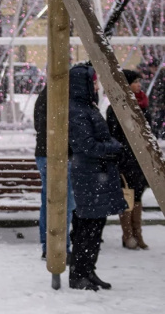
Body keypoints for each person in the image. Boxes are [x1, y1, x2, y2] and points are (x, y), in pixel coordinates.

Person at [68, 63, 127, 291]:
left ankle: (88, 270)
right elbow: (86, 145)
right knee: (87, 228)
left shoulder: (87, 107)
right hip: (89, 176)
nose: (97, 85)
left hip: (96, 176)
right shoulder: (78, 110)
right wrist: (113, 147)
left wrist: (110, 146)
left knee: (94, 228)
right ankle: (79, 274)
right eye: (94, 81)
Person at [106, 69, 150, 250]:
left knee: (138, 195)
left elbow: (149, 131)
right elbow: (113, 135)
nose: (139, 85)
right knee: (127, 196)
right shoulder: (115, 108)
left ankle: (137, 234)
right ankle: (128, 235)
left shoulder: (143, 104)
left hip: (141, 158)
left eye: (139, 81)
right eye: (135, 82)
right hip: (125, 159)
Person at [33, 86, 75, 261]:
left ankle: (50, 244)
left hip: (47, 153)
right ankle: (58, 245)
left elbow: (39, 124)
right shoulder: (60, 93)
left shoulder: (47, 94)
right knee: (62, 202)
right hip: (57, 154)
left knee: (50, 201)